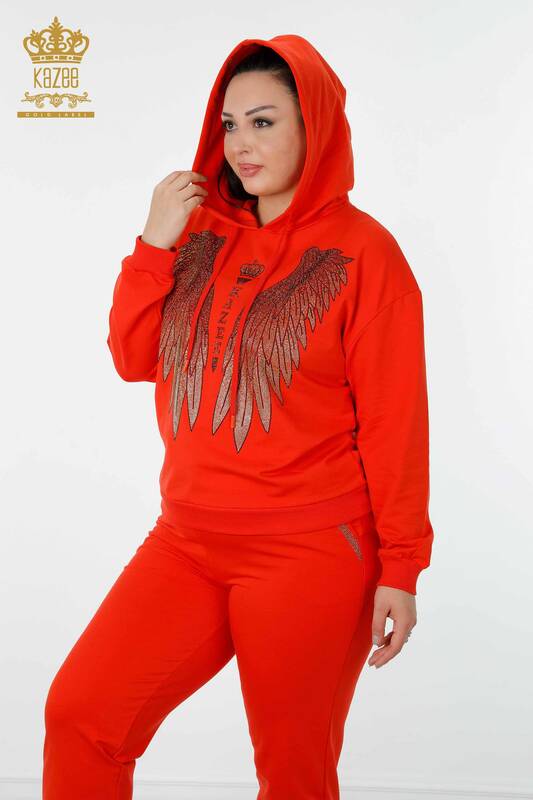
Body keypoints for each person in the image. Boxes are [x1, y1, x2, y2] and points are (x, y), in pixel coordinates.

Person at [42, 33, 435, 799]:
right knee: (81, 715)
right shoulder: (197, 234)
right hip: (186, 542)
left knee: (291, 772)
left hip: (309, 552)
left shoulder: (366, 254)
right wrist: (154, 243)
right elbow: (132, 356)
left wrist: (401, 566)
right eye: (228, 124)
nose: (240, 144)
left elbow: (397, 425)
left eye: (263, 122)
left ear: (314, 127)